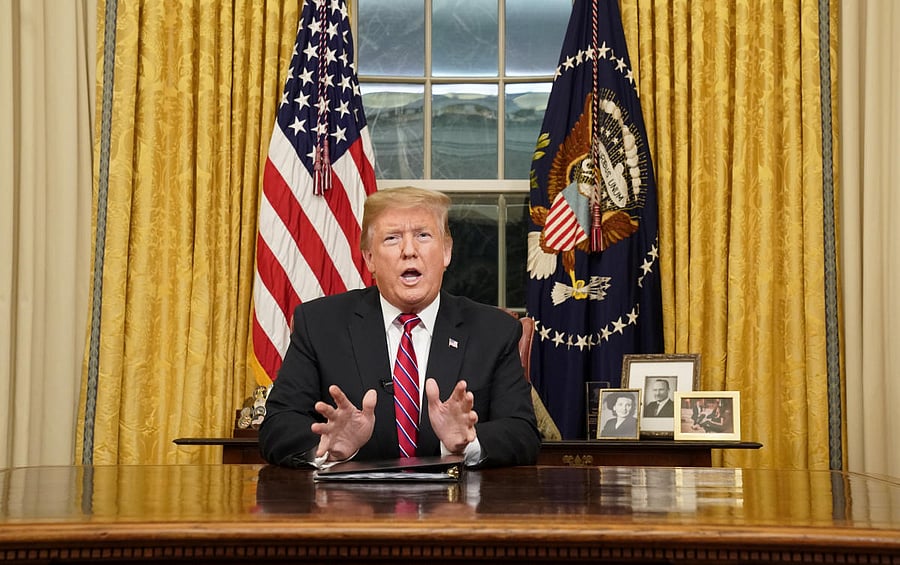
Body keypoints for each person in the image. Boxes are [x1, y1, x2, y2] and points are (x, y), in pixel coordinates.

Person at [258, 186, 542, 469]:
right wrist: (330, 450)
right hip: (351, 508)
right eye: (392, 238)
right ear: (369, 258)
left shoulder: (494, 331)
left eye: (423, 235)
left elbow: (522, 433)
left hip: (456, 508)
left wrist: (467, 443)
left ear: (446, 252)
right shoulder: (320, 324)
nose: (409, 251)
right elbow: (277, 428)